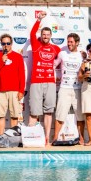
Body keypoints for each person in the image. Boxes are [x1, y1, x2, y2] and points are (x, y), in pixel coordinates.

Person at [29, 11, 61, 145]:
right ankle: (31, 138)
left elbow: (65, 58)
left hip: (50, 82)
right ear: (41, 36)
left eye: (48, 35)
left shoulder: (56, 49)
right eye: (43, 34)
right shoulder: (36, 45)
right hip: (36, 81)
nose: (46, 37)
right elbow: (32, 34)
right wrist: (38, 20)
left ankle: (47, 138)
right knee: (34, 112)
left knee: (48, 112)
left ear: (51, 36)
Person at [0, 33, 25, 135]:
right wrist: (1, 61)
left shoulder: (18, 57)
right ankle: (1, 137)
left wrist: (21, 91)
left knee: (14, 115)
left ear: (11, 44)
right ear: (1, 44)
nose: (6, 45)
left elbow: (22, 75)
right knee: (0, 115)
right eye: (3, 43)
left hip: (14, 90)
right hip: (0, 90)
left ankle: (12, 138)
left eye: (8, 43)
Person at [52, 33, 85, 145]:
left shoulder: (82, 55)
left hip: (78, 89)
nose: (69, 44)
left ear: (77, 43)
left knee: (80, 115)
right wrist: (54, 76)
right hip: (64, 88)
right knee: (60, 115)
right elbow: (53, 65)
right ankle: (55, 138)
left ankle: (81, 138)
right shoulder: (62, 53)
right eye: (68, 41)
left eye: (71, 42)